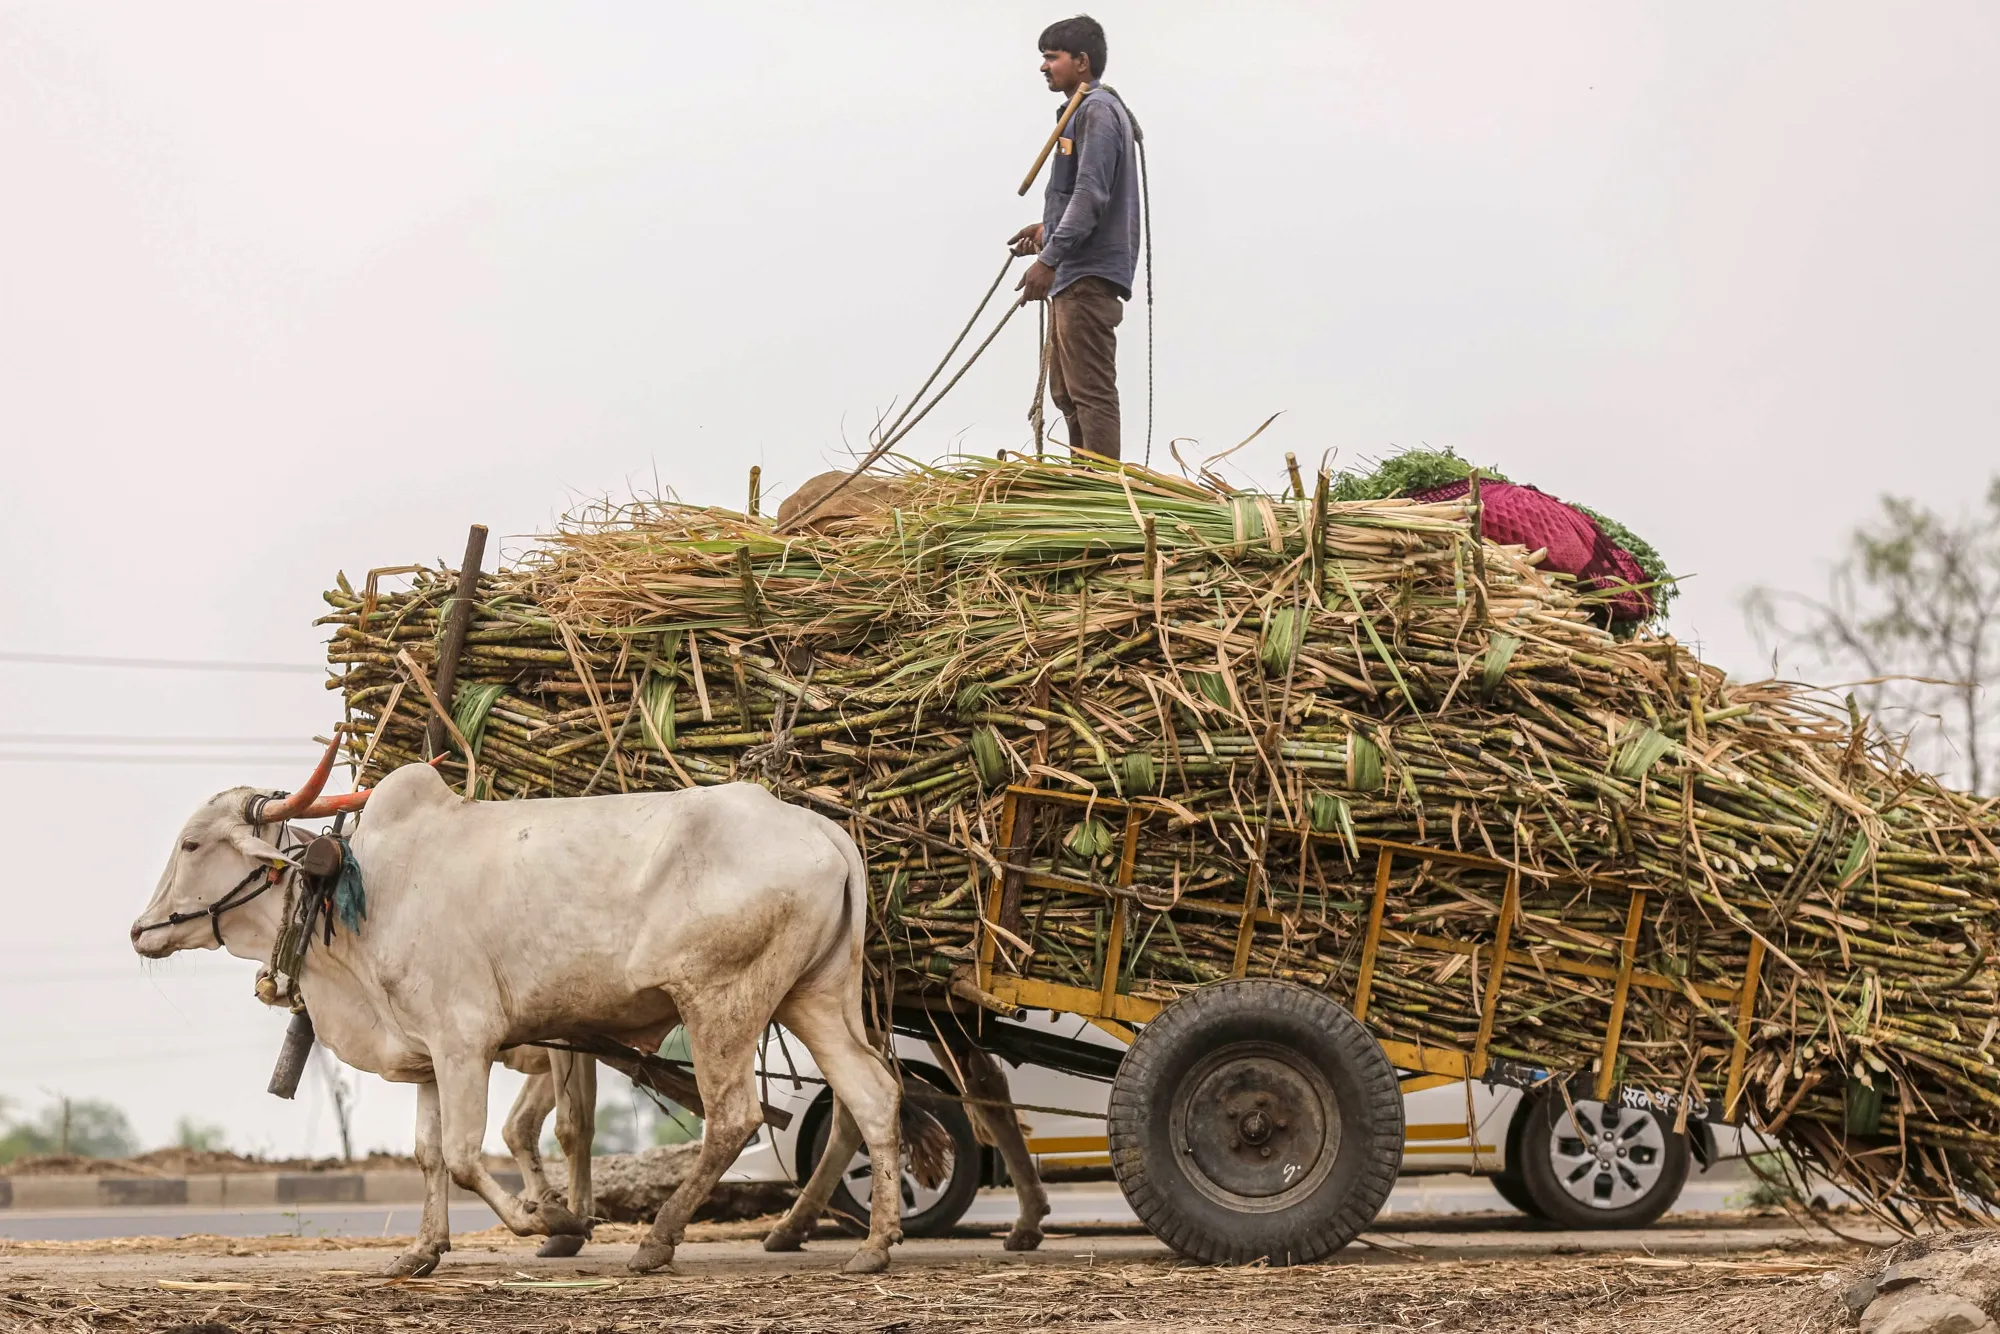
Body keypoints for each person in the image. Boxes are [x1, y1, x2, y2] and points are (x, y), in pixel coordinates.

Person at [1010, 15, 1140, 462]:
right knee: (1066, 392)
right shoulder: (1080, 110)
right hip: (1073, 271)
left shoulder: (1097, 110)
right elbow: (1082, 198)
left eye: (1052, 57)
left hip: (1087, 274)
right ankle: (1081, 482)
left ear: (1082, 62)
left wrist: (1049, 259)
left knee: (1090, 392)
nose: (1044, 67)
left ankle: (1100, 496)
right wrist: (1048, 231)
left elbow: (1091, 194)